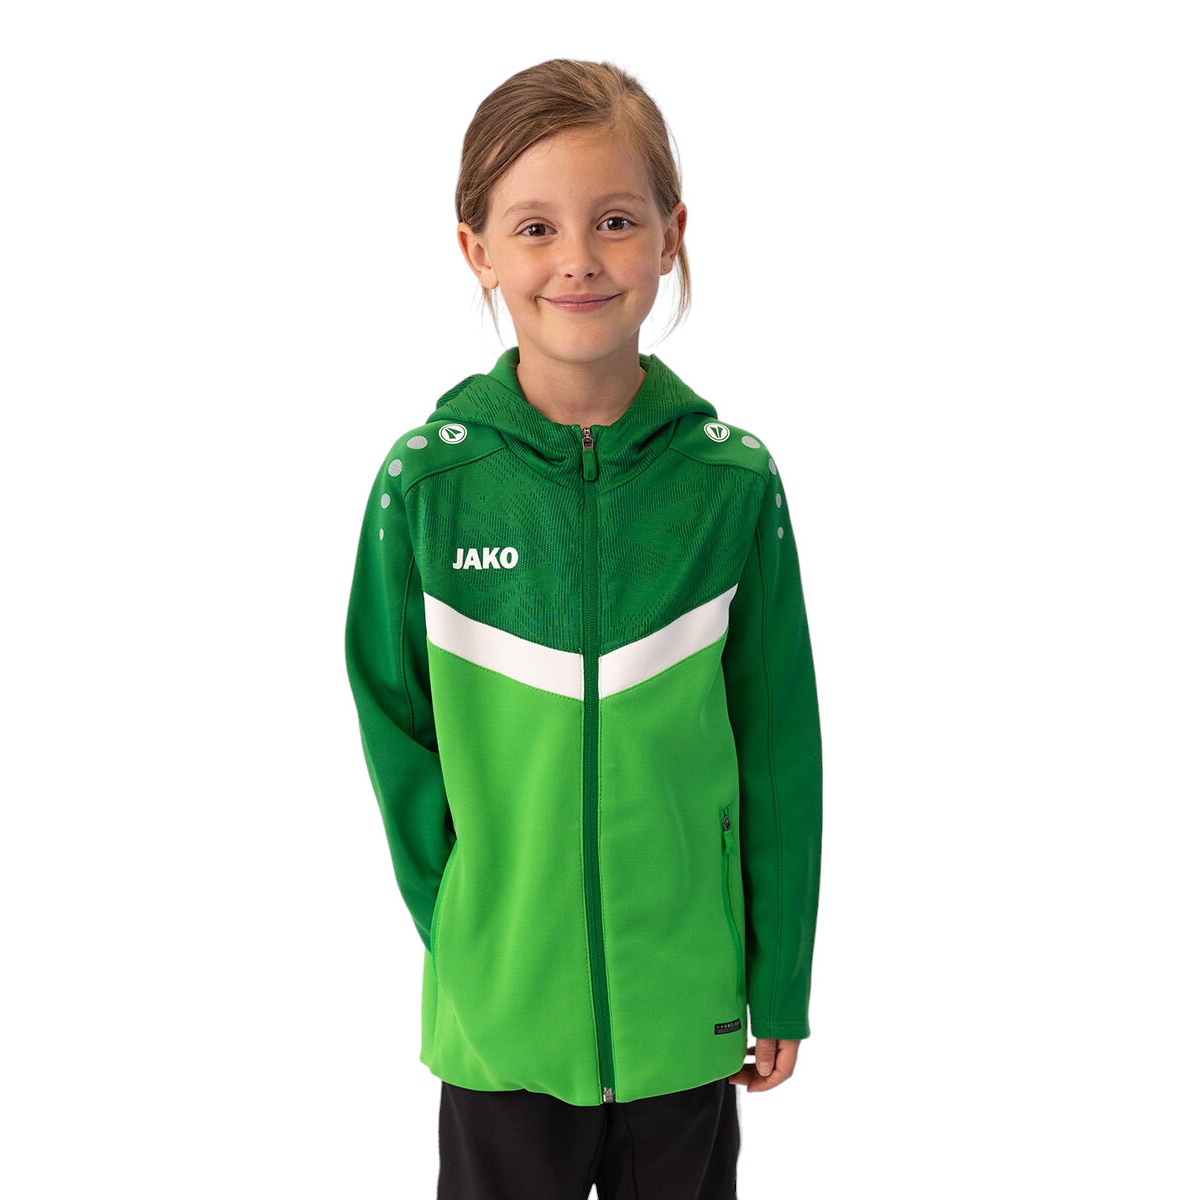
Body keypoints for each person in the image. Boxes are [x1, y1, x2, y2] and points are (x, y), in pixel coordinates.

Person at [345, 59, 821, 1199]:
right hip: (502, 1026)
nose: (578, 259)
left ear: (670, 235)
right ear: (477, 250)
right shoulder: (427, 486)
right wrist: (472, 932)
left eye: (614, 220)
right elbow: (393, 728)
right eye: (535, 228)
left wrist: (779, 978)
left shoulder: (731, 484)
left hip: (684, 1015)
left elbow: (778, 746)